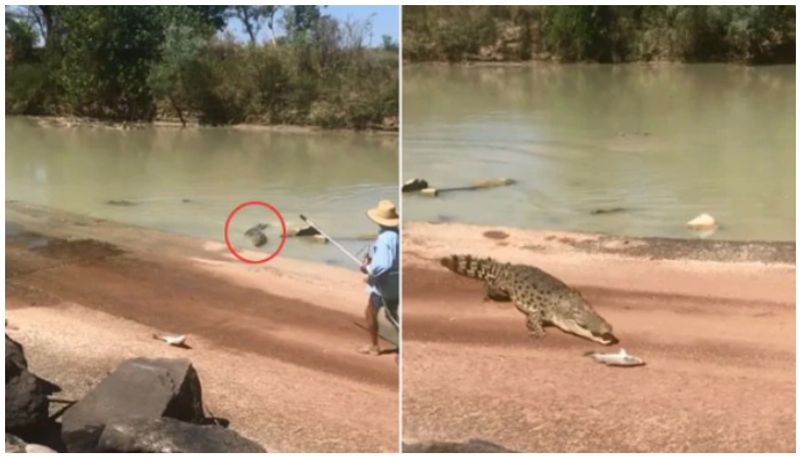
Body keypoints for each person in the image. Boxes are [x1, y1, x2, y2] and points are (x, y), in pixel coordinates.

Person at [358, 200, 399, 356]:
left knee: (370, 312)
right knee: (392, 313)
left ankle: (374, 346)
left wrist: (368, 269)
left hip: (384, 285)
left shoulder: (384, 239)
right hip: (397, 283)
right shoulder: (397, 235)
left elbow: (383, 265)